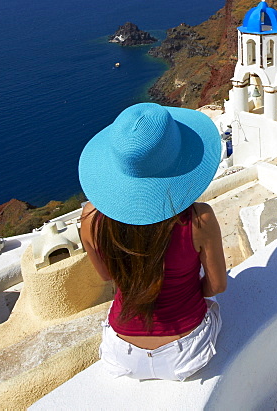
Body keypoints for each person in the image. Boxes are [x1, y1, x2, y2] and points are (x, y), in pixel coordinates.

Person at [77, 102, 227, 381]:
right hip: (187, 351)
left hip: (122, 352)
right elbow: (216, 285)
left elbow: (108, 274)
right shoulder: (199, 219)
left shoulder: (90, 218)